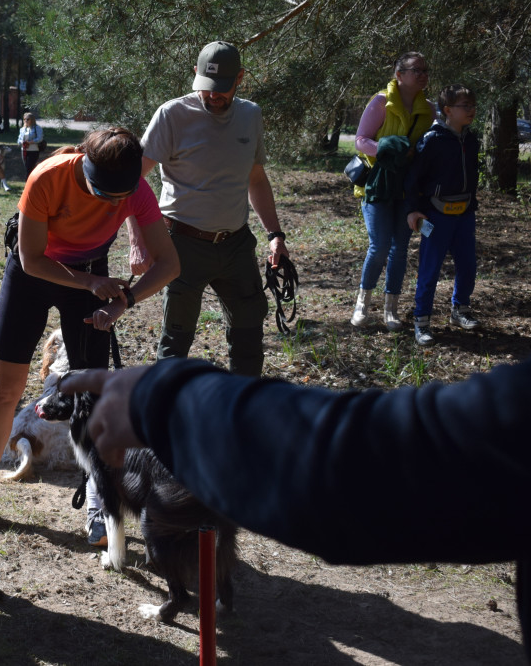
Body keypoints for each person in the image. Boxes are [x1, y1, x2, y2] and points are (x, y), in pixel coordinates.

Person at [60, 359, 531, 662]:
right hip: (199, 493)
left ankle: (187, 596)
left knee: (171, 530)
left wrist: (168, 400)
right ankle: (211, 594)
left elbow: (355, 464)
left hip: (185, 468)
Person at [0, 127, 180, 545]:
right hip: (33, 275)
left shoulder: (136, 190)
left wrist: (123, 299)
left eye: (118, 198)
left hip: (92, 277)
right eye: (100, 192)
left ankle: (98, 504)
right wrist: (91, 283)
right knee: (6, 388)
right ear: (84, 168)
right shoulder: (48, 176)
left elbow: (169, 264)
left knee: (92, 395)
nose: (109, 204)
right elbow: (32, 260)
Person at [137, 40, 289, 376]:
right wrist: (138, 239)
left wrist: (275, 233)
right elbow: (135, 180)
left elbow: (257, 179)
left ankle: (242, 407)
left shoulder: (250, 115)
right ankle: (169, 415)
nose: (213, 96)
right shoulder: (172, 115)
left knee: (249, 333)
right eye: (206, 88)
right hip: (183, 245)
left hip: (236, 244)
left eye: (221, 89)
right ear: (195, 75)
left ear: (240, 79)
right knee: (175, 341)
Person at [350, 51, 435, 330]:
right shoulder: (380, 102)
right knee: (380, 246)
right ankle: (362, 304)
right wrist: (388, 149)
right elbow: (360, 141)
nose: (422, 75)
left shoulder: (428, 109)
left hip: (407, 188)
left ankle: (391, 309)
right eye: (416, 70)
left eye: (425, 70)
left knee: (400, 250)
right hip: (378, 185)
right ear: (399, 75)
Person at [405, 84, 482, 347]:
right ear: (447, 110)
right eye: (465, 106)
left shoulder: (471, 139)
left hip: (465, 214)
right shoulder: (432, 140)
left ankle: (460, 309)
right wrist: (414, 209)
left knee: (468, 266)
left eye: (473, 105)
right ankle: (422, 320)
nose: (471, 110)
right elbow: (414, 179)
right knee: (430, 270)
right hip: (436, 215)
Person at [17, 112, 45, 179]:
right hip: (24, 151)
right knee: (27, 167)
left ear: (32, 120)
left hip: (34, 150)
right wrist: (22, 142)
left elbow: (40, 138)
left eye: (28, 119)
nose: (26, 121)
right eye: (24, 119)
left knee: (29, 167)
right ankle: (32, 183)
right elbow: (19, 140)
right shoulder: (22, 129)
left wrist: (31, 142)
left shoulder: (37, 128)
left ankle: (28, 184)